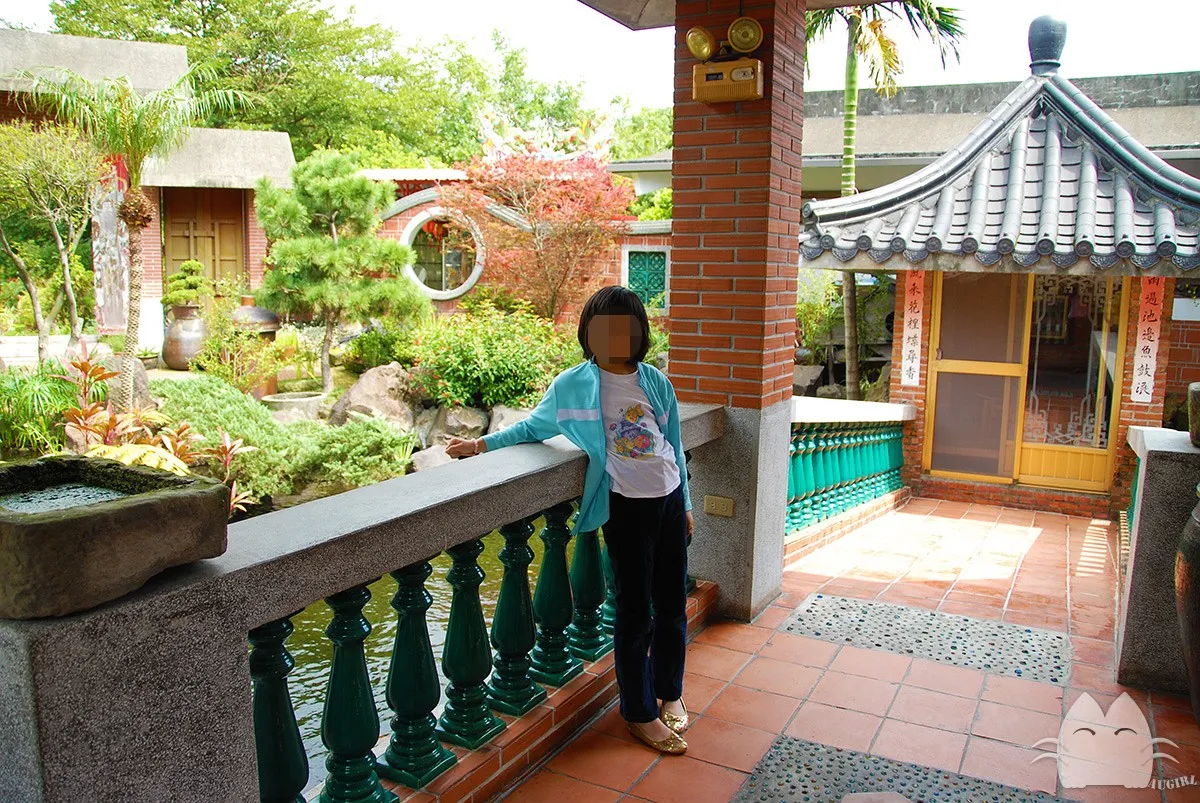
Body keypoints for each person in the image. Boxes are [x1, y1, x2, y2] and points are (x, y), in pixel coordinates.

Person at [446, 286, 693, 755]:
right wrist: (480, 445)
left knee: (672, 605)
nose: (616, 337)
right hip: (625, 507)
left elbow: (675, 445)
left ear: (640, 333)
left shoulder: (656, 382)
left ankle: (671, 691)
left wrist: (686, 504)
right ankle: (639, 711)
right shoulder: (572, 385)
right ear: (588, 334)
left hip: (668, 497)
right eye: (605, 329)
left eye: (625, 328)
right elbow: (532, 427)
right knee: (635, 611)